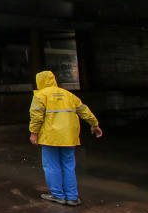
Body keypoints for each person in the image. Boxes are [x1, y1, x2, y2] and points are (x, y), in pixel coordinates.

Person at [29, 70, 103, 206]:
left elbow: (36, 117)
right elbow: (84, 110)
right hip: (69, 137)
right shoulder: (68, 95)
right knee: (69, 166)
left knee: (52, 166)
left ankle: (57, 195)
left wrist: (34, 133)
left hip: (50, 137)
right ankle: (72, 197)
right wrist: (94, 124)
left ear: (40, 81)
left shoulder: (40, 95)